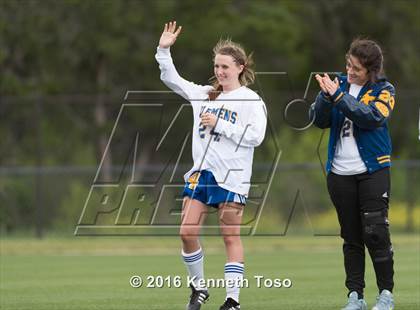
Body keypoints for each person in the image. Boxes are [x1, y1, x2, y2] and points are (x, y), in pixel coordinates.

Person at [155, 21, 267, 310]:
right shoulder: (204, 94)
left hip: (232, 177)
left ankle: (232, 301)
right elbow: (171, 78)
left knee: (230, 236)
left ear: (240, 67)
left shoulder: (250, 100)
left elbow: (256, 137)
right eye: (217, 66)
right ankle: (199, 289)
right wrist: (163, 50)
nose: (219, 71)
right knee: (186, 232)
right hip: (202, 175)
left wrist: (222, 124)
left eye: (225, 67)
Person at [310, 38, 395, 310]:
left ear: (371, 70)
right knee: (351, 236)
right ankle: (355, 296)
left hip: (373, 171)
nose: (349, 71)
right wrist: (326, 97)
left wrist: (338, 97)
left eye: (356, 68)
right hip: (339, 173)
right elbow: (318, 119)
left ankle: (386, 295)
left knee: (376, 233)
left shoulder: (384, 89)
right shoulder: (338, 84)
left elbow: (371, 117)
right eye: (348, 65)